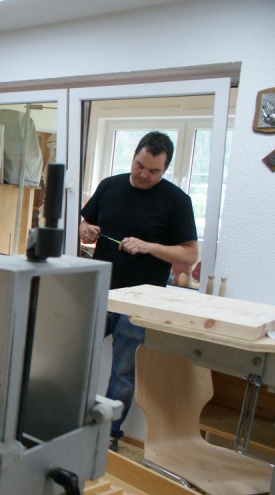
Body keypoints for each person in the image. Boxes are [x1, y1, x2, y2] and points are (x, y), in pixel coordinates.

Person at [79, 131, 198, 452]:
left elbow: (189, 254)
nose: (144, 174)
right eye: (139, 166)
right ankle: (71, 420)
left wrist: (149, 246)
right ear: (133, 157)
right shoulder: (110, 186)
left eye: (153, 171)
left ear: (165, 169)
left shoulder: (176, 201)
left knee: (124, 373)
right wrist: (85, 229)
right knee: (74, 355)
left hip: (140, 303)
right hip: (101, 292)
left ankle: (108, 434)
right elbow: (84, 225)